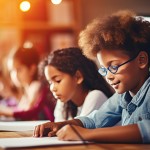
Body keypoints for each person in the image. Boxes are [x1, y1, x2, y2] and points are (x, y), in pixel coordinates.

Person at [33, 10, 150, 143]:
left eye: (114, 66)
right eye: (105, 69)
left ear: (141, 60)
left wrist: (86, 134)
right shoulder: (122, 96)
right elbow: (94, 120)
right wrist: (60, 125)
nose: (109, 76)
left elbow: (146, 128)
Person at [38, 47, 113, 122]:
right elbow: (58, 129)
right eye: (50, 82)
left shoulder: (96, 96)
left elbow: (78, 128)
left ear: (78, 77)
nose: (52, 88)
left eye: (58, 80)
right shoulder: (65, 102)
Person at [0, 45, 56, 121]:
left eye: (19, 70)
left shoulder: (36, 86)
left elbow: (28, 113)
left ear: (32, 69)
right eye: (12, 71)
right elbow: (20, 109)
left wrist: (4, 111)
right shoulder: (27, 88)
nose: (15, 75)